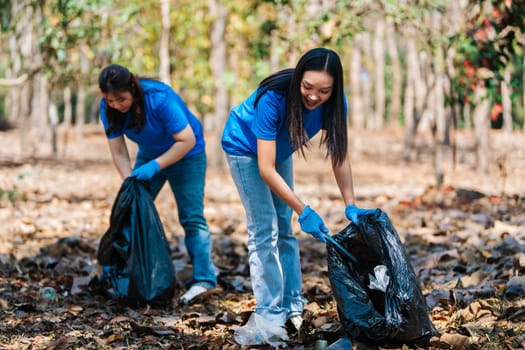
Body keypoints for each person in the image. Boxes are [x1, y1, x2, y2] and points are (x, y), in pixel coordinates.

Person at [221, 47, 376, 338]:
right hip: (245, 148)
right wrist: (303, 208)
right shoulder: (274, 99)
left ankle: (292, 305)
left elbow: (339, 157)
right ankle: (269, 311)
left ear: (335, 87)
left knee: (285, 229)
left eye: (324, 90)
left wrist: (350, 205)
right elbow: (266, 169)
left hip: (279, 148)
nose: (314, 96)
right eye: (307, 86)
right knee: (264, 227)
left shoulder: (336, 104)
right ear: (298, 79)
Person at [98, 64, 217, 305]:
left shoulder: (159, 98)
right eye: (110, 100)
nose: (116, 105)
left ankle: (204, 280)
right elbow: (119, 151)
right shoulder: (108, 109)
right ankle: (128, 274)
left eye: (121, 99)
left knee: (191, 217)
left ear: (133, 88)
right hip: (150, 155)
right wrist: (130, 180)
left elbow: (186, 140)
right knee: (131, 211)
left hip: (188, 155)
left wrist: (155, 166)